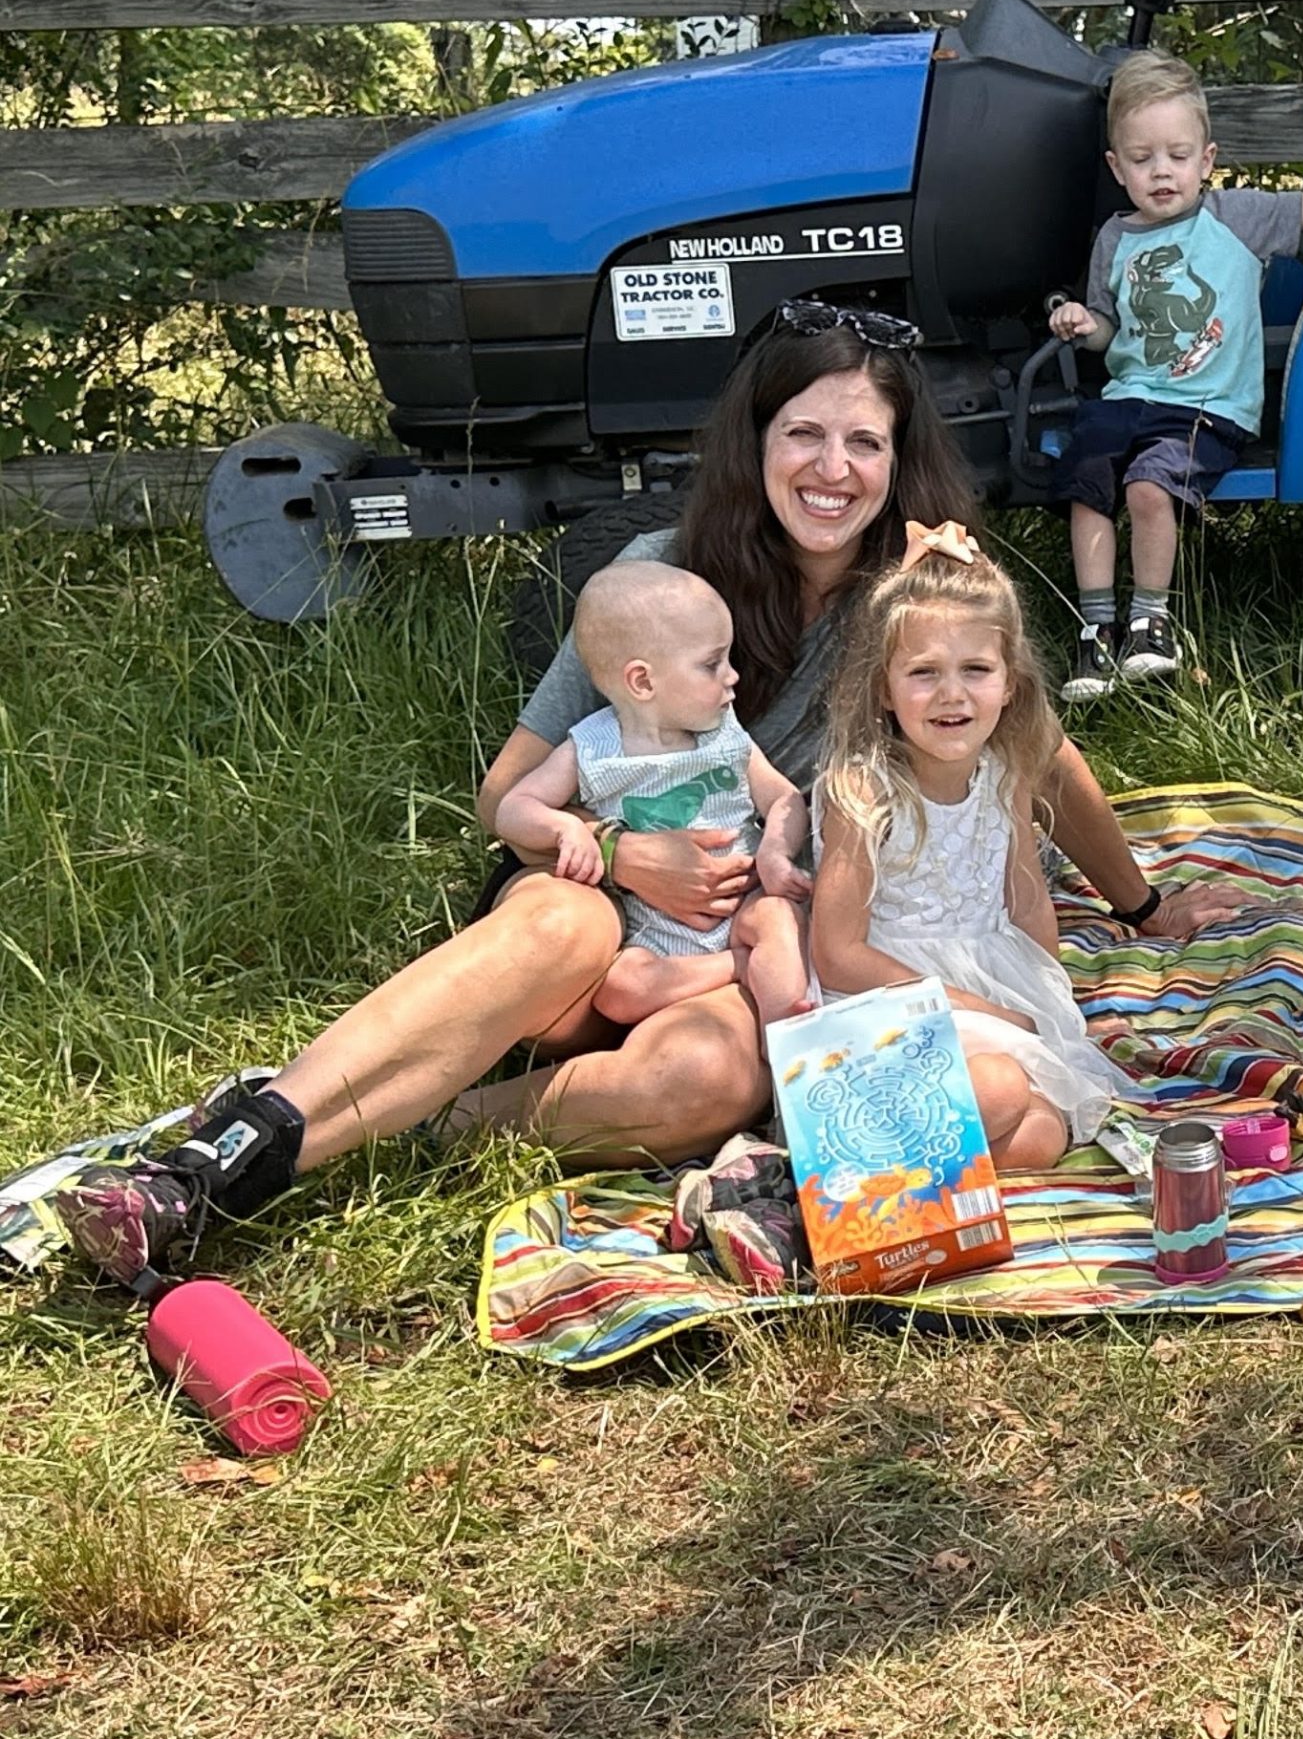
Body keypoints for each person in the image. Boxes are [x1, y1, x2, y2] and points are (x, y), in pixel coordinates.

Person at [59, 302, 1241, 1287]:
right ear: (755, 439)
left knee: (713, 1077)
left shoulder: (911, 608)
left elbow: (1035, 752)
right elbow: (510, 793)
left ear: (898, 460)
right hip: (601, 900)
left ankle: (426, 1121)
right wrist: (624, 854)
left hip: (743, 942)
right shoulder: (657, 582)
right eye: (803, 433)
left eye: (864, 443)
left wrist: (1137, 908)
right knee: (563, 918)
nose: (832, 468)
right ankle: (225, 1155)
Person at [807, 522, 1131, 1171]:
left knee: (1044, 1134)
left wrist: (1053, 1001)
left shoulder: (1004, 775)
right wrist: (978, 1007)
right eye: (924, 672)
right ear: (884, 688)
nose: (952, 694)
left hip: (988, 977)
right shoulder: (864, 791)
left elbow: (1024, 895)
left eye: (976, 669)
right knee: (1003, 1088)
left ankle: (882, 1180)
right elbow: (837, 953)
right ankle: (813, 1169)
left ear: (1009, 682)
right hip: (891, 1000)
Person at [1045, 51, 1303, 699]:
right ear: (1118, 168)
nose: (1161, 171)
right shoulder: (1114, 237)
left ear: (1206, 159)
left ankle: (1150, 622)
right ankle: (1095, 629)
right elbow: (1111, 331)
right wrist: (1083, 322)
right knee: (1086, 484)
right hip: (1128, 394)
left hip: (1206, 406)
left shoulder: (1232, 218)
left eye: (1177, 155)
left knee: (1147, 486)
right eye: (1142, 159)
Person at [492, 559, 812, 1030]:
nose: (732, 677)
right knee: (619, 991)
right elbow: (512, 809)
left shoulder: (725, 735)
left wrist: (776, 853)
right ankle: (736, 968)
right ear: (642, 681)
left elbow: (783, 799)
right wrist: (566, 829)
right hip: (653, 933)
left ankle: (792, 1048)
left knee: (780, 922)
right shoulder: (591, 748)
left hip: (743, 902)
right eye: (712, 664)